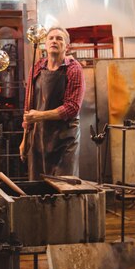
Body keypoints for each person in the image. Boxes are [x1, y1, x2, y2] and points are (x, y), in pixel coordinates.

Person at [19, 26, 85, 179]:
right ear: (45, 44)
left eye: (59, 38)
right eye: (51, 38)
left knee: (64, 188)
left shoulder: (73, 69)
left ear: (66, 46)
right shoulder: (36, 68)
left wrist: (39, 116)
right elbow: (29, 108)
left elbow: (72, 108)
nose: (54, 41)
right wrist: (25, 140)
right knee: (38, 187)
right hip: (39, 139)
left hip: (65, 140)